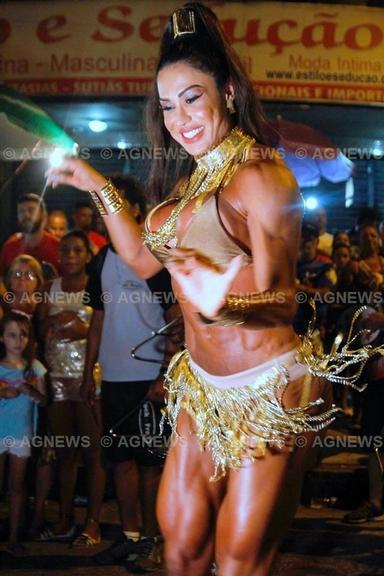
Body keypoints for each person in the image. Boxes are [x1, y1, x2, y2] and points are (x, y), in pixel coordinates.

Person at [46, 4, 360, 574]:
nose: (179, 118)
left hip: (268, 391)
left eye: (192, 97)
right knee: (183, 545)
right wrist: (95, 184)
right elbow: (143, 260)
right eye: (167, 105)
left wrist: (227, 305)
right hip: (202, 391)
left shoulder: (262, 175)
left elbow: (285, 301)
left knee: (240, 558)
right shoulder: (189, 186)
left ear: (230, 92)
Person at [82, 176, 178, 569]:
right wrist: (89, 373)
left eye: (118, 204)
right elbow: (98, 320)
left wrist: (164, 375)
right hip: (115, 377)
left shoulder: (154, 258)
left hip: (149, 377)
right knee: (120, 459)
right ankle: (131, 535)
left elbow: (176, 319)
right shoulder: (101, 260)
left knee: (151, 462)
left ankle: (156, 540)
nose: (110, 212)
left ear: (136, 210)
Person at [39, 230, 105, 546]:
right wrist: (54, 322)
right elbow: (38, 331)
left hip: (88, 378)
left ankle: (93, 523)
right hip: (57, 380)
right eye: (64, 250)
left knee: (93, 454)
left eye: (77, 250)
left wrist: (81, 328)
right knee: (65, 453)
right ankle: (65, 517)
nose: (70, 255)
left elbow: (105, 330)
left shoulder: (98, 288)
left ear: (88, 256)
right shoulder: (49, 288)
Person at [0, 311, 46, 556]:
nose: (18, 341)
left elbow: (43, 400)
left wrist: (31, 392)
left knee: (17, 486)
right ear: (2, 338)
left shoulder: (34, 368)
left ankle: (14, 537)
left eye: (23, 335)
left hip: (21, 433)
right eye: (12, 335)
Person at [0, 193, 59, 278]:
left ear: (43, 215)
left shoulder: (57, 246)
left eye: (31, 210)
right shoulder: (9, 247)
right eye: (21, 211)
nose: (26, 215)